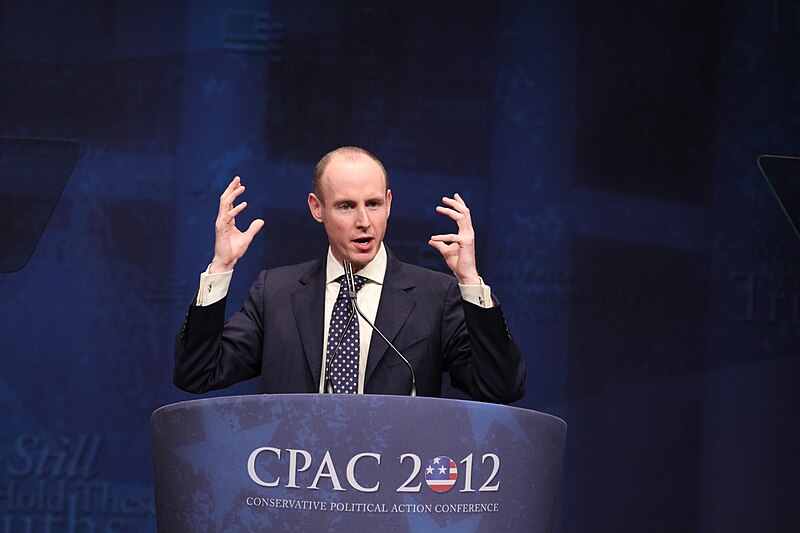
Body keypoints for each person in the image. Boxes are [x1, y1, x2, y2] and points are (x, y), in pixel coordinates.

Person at [174, 146, 525, 403]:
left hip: (390, 493)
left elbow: (501, 387)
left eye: (373, 204)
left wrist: (470, 282)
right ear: (317, 209)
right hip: (294, 490)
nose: (364, 222)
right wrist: (221, 268)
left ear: (388, 203)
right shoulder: (276, 292)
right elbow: (197, 374)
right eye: (346, 206)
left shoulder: (436, 295)